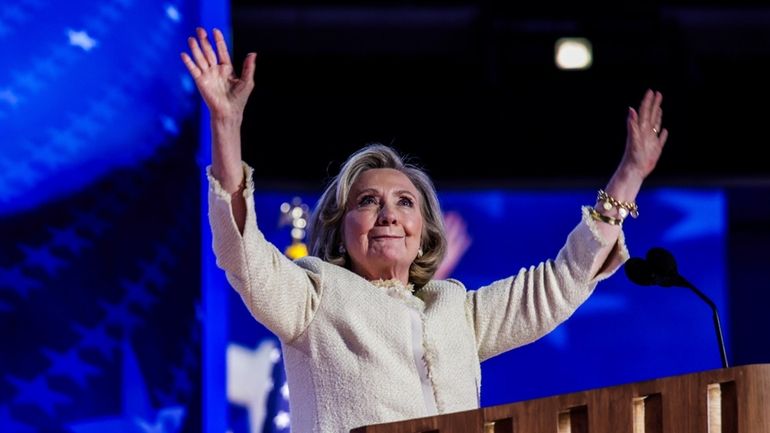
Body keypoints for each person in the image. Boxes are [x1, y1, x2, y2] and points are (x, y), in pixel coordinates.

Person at [181, 27, 668, 433]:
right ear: (340, 225)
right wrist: (227, 125)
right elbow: (241, 250)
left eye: (404, 202)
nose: (388, 214)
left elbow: (562, 280)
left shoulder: (457, 309)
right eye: (368, 202)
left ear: (423, 231)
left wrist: (629, 174)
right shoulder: (314, 297)